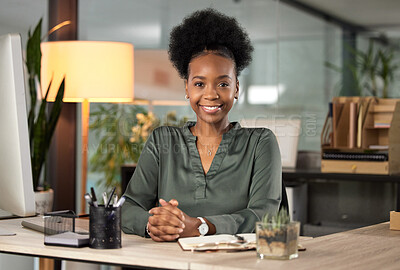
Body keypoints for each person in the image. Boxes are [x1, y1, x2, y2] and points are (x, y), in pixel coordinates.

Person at [122, 8, 282, 242]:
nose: (211, 94)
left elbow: (263, 215)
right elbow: (128, 207)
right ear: (186, 88)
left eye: (223, 84)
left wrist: (200, 226)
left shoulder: (260, 143)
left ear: (236, 88)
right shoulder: (162, 141)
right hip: (167, 263)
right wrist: (153, 224)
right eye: (199, 84)